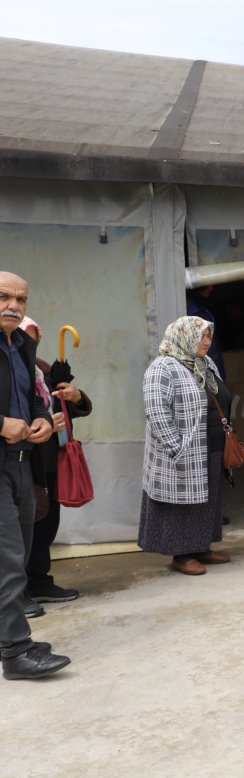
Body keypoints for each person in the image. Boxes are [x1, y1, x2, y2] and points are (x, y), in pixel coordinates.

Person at [0, 272, 68, 680]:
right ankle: (16, 652)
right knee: (8, 560)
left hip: (23, 463)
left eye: (21, 299)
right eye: (4, 296)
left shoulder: (23, 346)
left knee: (21, 555)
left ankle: (8, 636)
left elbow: (33, 399)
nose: (13, 305)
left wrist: (42, 419)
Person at [138, 316, 234, 576]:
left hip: (211, 445)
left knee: (207, 500)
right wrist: (176, 449)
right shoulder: (162, 368)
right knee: (181, 504)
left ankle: (201, 546)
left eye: (208, 336)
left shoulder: (205, 363)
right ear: (183, 336)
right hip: (182, 451)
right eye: (201, 336)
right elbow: (157, 413)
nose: (206, 341)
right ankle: (181, 554)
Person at [20, 318, 92, 609]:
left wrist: (75, 396)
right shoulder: (9, 370)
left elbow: (69, 405)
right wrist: (45, 422)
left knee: (47, 521)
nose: (27, 343)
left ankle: (38, 581)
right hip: (22, 462)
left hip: (50, 459)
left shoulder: (41, 368)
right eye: (21, 336)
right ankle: (17, 592)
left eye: (32, 337)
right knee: (21, 527)